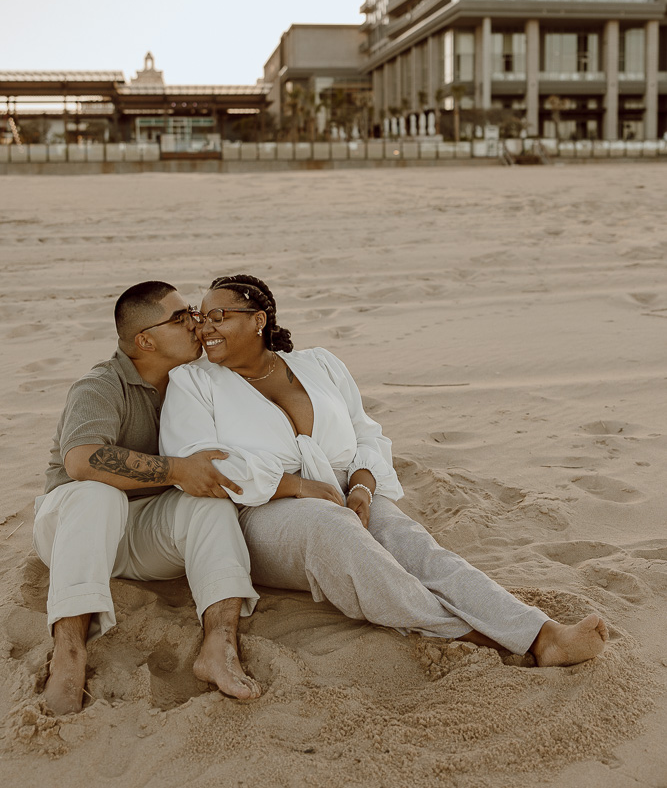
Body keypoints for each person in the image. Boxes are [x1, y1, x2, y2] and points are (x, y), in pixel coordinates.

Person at [160, 274, 609, 667]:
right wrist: (297, 486)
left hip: (343, 495)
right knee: (335, 532)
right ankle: (482, 636)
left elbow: (366, 433)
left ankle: (542, 633)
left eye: (219, 315)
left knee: (413, 544)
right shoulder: (194, 382)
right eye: (201, 316)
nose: (205, 326)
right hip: (260, 513)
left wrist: (362, 488)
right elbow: (201, 463)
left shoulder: (319, 364)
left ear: (258, 320)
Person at [33, 281, 261, 715]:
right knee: (98, 495)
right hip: (72, 533)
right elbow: (81, 461)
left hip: (141, 534)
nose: (195, 322)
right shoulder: (100, 385)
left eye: (192, 311)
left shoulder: (191, 381)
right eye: (180, 318)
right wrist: (178, 469)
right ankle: (69, 656)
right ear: (145, 340)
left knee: (209, 503)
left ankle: (219, 643)